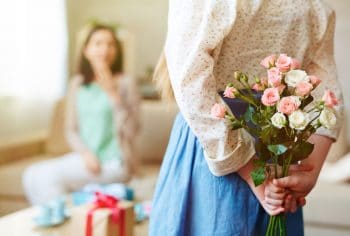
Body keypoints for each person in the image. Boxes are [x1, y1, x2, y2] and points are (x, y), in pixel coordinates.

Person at [149, 1, 343, 235]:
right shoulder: (314, 7)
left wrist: (300, 175)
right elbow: (328, 93)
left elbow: (193, 85)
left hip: (237, 148)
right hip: (220, 149)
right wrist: (302, 172)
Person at [22, 23, 140, 205]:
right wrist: (85, 153)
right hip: (87, 159)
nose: (105, 49)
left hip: (115, 162)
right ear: (86, 50)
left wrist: (113, 95)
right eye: (98, 43)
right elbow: (71, 129)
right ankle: (66, 219)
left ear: (117, 51)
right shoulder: (77, 84)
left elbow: (132, 131)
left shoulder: (126, 83)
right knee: (30, 175)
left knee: (46, 177)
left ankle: (66, 221)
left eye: (110, 44)